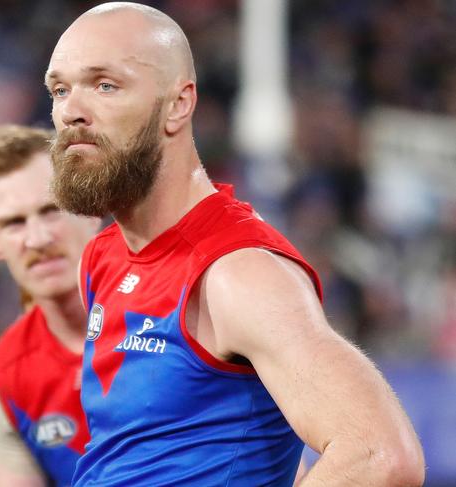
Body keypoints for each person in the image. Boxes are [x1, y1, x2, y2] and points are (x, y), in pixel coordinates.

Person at [45, 2, 425, 486]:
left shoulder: (237, 272)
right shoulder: (103, 256)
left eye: (105, 85)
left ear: (178, 104)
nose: (72, 111)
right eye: (59, 89)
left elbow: (379, 455)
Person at [0, 125, 100, 486]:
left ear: (91, 207)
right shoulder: (6, 374)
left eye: (51, 210)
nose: (38, 239)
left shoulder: (171, 310)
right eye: (14, 223)